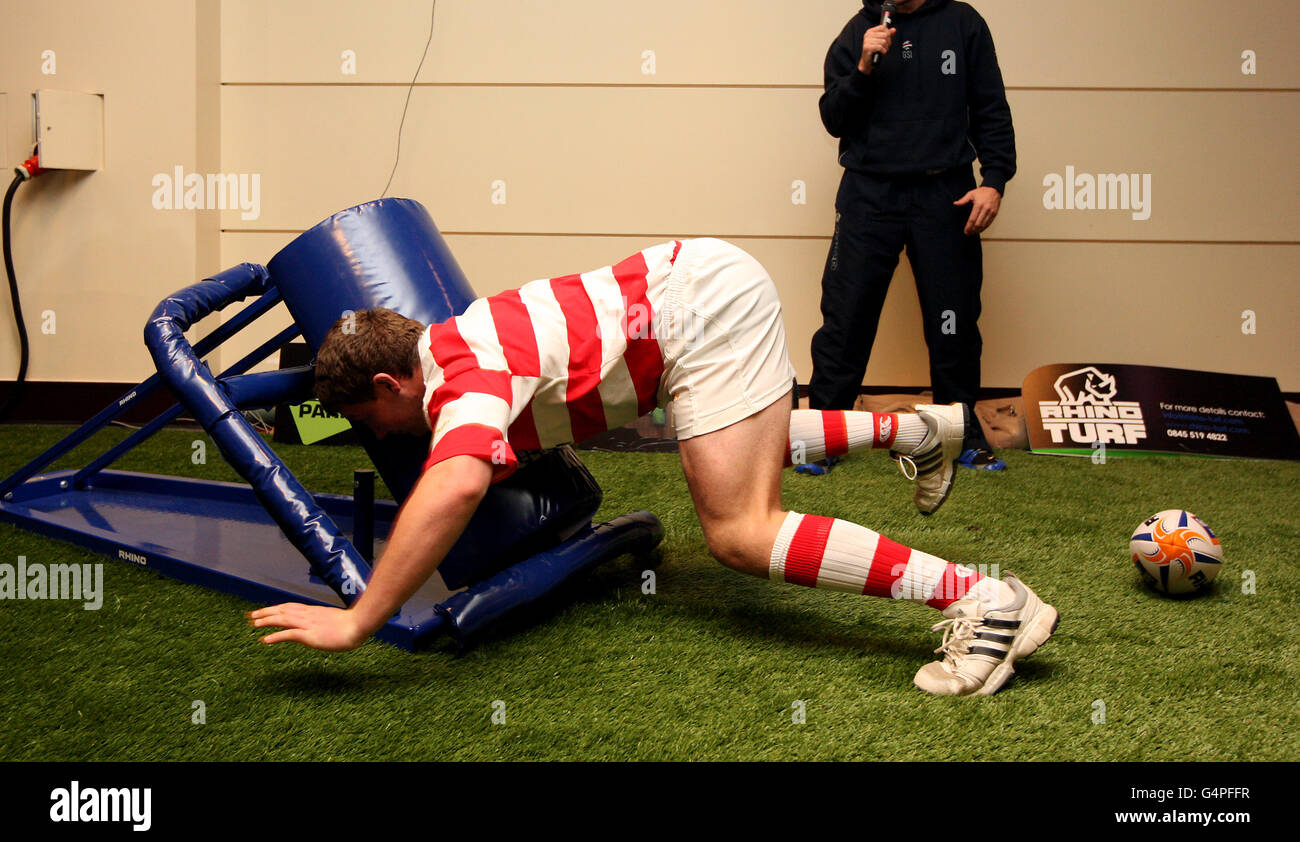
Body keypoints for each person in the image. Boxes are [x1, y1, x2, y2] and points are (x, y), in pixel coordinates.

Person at [249, 238, 1056, 696]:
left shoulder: (464, 380)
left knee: (740, 529)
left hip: (700, 313)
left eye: (368, 419)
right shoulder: (460, 342)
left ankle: (986, 600)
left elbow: (457, 479)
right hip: (701, 290)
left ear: (392, 384)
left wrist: (359, 617)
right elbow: (477, 461)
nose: (376, 435)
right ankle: (915, 432)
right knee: (738, 452)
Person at [808, 0, 1015, 474]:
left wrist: (993, 181)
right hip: (869, 194)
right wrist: (863, 67)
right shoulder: (859, 31)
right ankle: (821, 438)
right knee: (846, 318)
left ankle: (961, 438)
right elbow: (833, 118)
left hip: (943, 195)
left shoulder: (965, 26)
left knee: (952, 322)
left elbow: (992, 111)